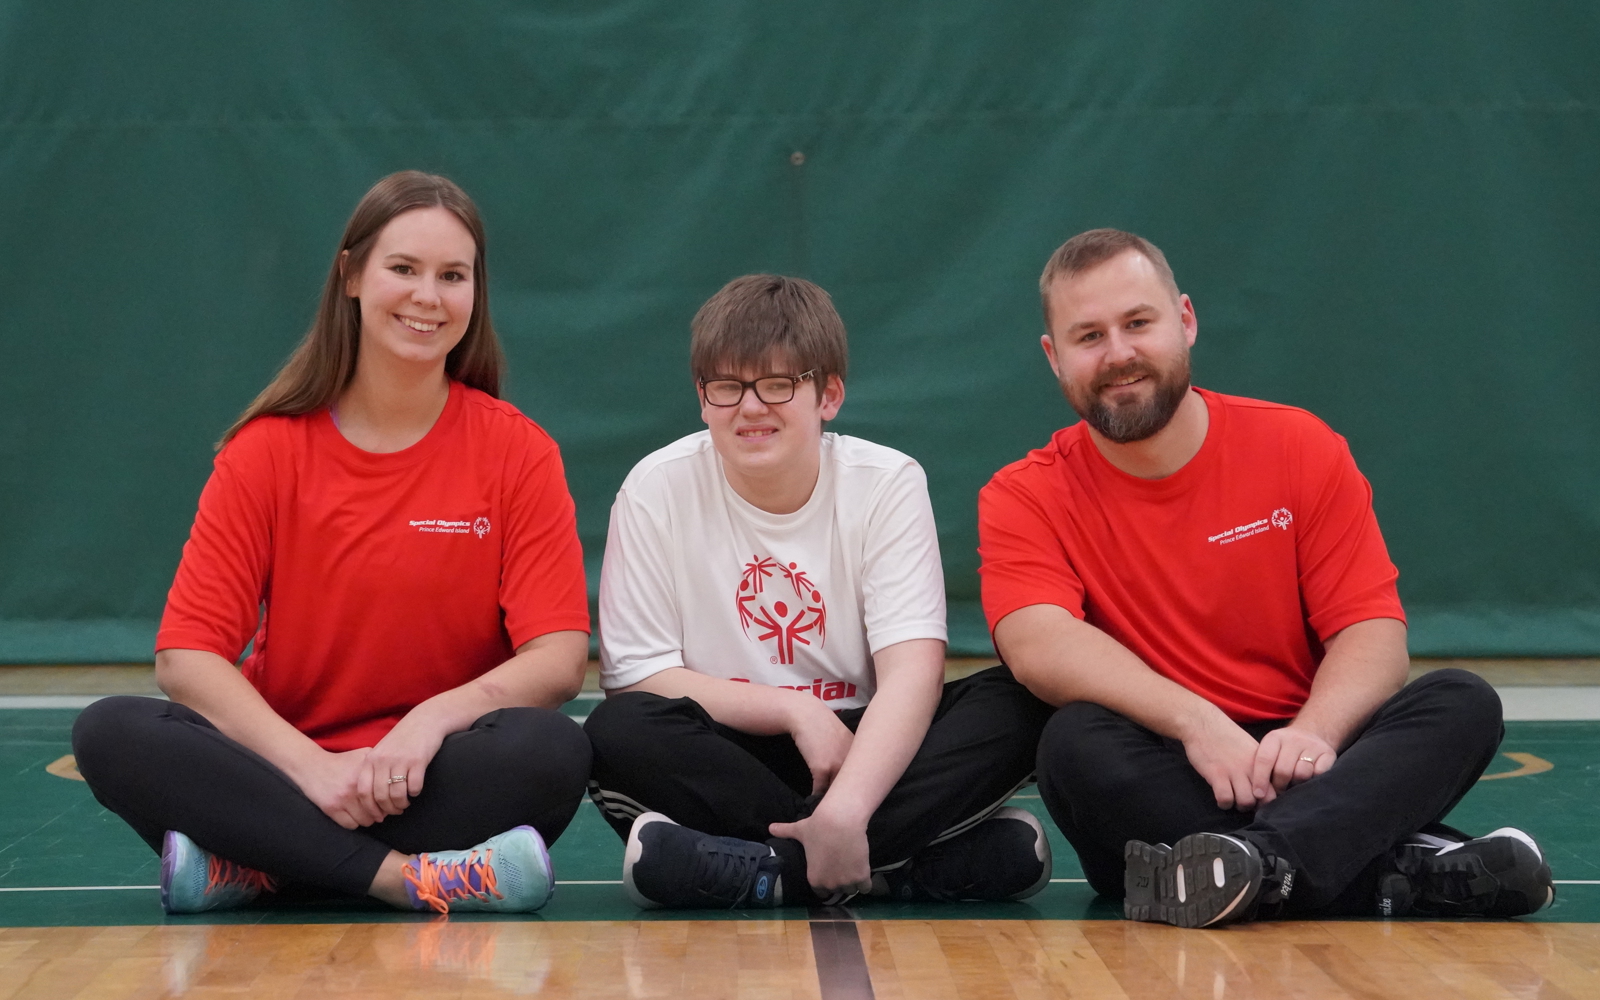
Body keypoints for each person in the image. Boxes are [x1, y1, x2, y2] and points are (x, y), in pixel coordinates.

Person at [979, 228, 1554, 928]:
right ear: (1054, 358)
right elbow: (1039, 646)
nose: (1120, 354)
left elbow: (1372, 633)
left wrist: (1313, 733)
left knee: (1462, 700)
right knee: (1072, 745)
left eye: (1138, 323)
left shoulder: (1297, 446)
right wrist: (1197, 722)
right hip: (1168, 772)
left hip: (1312, 758)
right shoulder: (1024, 493)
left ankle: (1257, 869)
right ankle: (1392, 871)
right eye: (1089, 336)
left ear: (1185, 320)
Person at [71, 171, 593, 915]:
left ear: (476, 295)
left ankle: (261, 864)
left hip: (435, 771)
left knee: (554, 751)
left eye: (453, 276)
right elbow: (186, 657)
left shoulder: (518, 452)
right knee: (112, 732)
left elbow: (559, 658)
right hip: (282, 767)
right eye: (403, 269)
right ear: (350, 275)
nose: (428, 296)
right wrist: (312, 769)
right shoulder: (265, 451)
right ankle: (404, 879)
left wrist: (427, 723)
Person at [583, 275, 1054, 909]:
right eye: (727, 387)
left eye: (779, 384)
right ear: (702, 399)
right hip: (733, 750)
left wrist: (849, 807)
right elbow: (639, 675)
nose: (750, 408)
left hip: (871, 751)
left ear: (828, 394)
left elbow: (912, 675)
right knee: (619, 729)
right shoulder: (656, 488)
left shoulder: (887, 482)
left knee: (1022, 700)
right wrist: (794, 711)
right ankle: (898, 867)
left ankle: (771, 869)